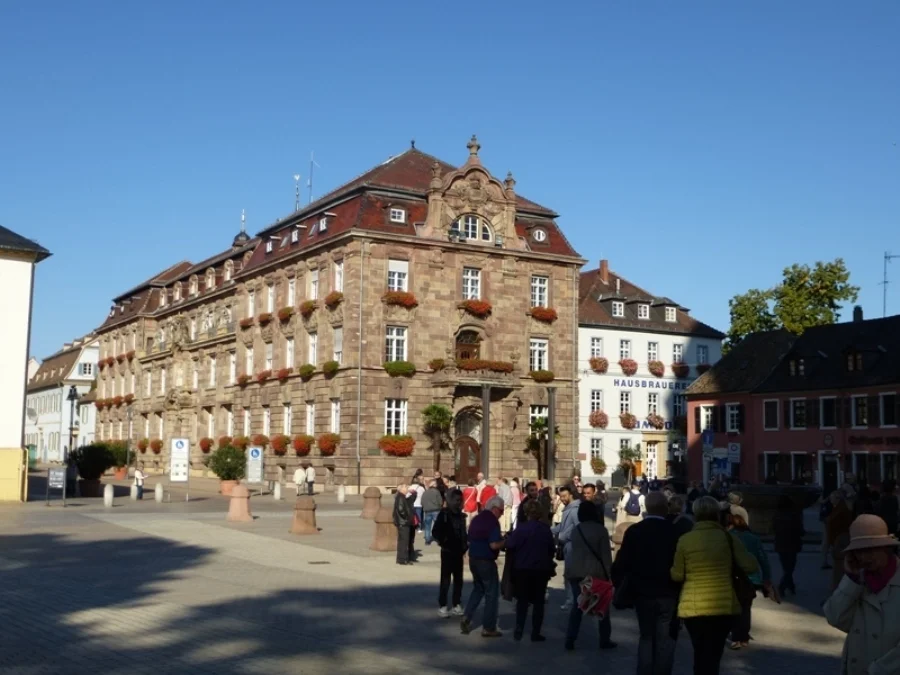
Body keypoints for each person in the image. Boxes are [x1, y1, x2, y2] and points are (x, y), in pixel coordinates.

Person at [671, 496, 759, 675]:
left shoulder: (685, 540)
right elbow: (750, 565)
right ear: (717, 514)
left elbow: (677, 575)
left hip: (693, 608)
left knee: (699, 652)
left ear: (695, 514)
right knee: (714, 655)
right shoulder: (728, 538)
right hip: (723, 606)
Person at [613, 491, 680, 674]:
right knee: (664, 638)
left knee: (646, 637)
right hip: (669, 591)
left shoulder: (635, 531)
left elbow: (622, 562)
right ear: (665, 509)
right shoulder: (674, 531)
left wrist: (620, 586)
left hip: (642, 592)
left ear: (647, 508)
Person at [824, 514, 900, 675]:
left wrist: (878, 670)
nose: (864, 557)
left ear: (886, 548)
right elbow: (835, 618)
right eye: (858, 551)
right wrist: (851, 579)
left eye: (870, 550)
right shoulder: (858, 581)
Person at [565, 500, 616, 651]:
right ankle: (604, 639)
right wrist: (609, 575)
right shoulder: (601, 530)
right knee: (602, 607)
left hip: (576, 573)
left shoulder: (576, 530)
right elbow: (606, 556)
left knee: (577, 606)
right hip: (596, 574)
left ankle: (570, 639)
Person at [506, 499, 556, 641]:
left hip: (522, 568)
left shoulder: (520, 529)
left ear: (526, 512)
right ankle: (536, 632)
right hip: (540, 568)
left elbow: (510, 545)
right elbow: (551, 549)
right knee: (539, 602)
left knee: (522, 601)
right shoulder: (545, 529)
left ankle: (519, 629)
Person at [726, 505, 775, 650]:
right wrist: (767, 578)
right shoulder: (753, 538)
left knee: (734, 607)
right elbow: (763, 559)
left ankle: (736, 637)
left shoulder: (728, 537)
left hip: (733, 577)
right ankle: (744, 637)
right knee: (746, 608)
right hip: (752, 579)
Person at [461, 495, 506, 638]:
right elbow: (493, 545)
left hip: (473, 558)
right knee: (492, 593)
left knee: (478, 589)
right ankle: (488, 627)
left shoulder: (477, 519)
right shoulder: (492, 522)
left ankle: (466, 617)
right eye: (501, 510)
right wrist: (505, 541)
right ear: (494, 509)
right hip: (486, 560)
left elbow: (469, 539)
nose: (502, 513)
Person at [432, 488, 467, 617]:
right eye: (456, 500)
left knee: (459, 579)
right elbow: (435, 531)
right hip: (447, 551)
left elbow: (463, 532)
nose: (459, 503)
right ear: (450, 500)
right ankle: (443, 605)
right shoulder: (444, 514)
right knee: (445, 579)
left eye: (460, 500)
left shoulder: (461, 515)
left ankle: (456, 603)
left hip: (459, 551)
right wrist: (443, 541)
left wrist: (465, 545)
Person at [552, 484, 581, 611]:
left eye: (564, 496)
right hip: (568, 545)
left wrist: (564, 535)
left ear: (571, 494)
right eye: (561, 496)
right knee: (569, 575)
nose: (562, 499)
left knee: (570, 575)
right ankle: (573, 600)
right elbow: (562, 526)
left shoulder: (574, 509)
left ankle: (572, 601)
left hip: (572, 546)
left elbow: (578, 527)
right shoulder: (568, 508)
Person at [773, 494, 805, 597]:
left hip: (780, 544)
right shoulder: (794, 514)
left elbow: (773, 529)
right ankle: (782, 586)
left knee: (786, 567)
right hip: (792, 544)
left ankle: (791, 586)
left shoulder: (776, 515)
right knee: (790, 568)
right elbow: (800, 530)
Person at [392, 484, 415, 565]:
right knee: (404, 541)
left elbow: (410, 501)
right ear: (401, 489)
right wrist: (407, 517)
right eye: (406, 487)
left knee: (402, 541)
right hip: (403, 522)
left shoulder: (401, 496)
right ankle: (403, 559)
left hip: (402, 522)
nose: (407, 488)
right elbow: (401, 509)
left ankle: (401, 558)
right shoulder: (401, 497)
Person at [421, 479, 443, 545]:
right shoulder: (436, 492)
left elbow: (422, 502)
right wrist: (439, 506)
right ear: (433, 485)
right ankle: (439, 540)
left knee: (427, 526)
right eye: (435, 484)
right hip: (436, 510)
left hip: (427, 511)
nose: (436, 485)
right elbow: (440, 502)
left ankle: (427, 540)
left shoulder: (425, 492)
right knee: (438, 526)